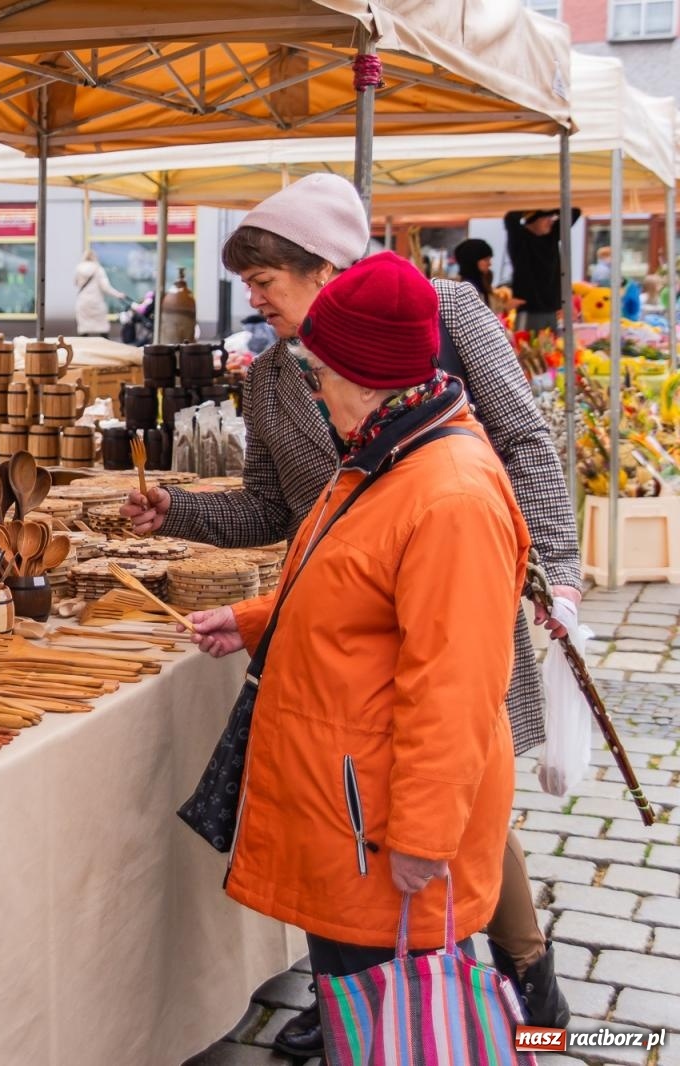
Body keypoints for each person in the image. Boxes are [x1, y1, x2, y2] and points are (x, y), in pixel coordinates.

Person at [123, 172, 576, 1053]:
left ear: (322, 268)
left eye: (266, 283)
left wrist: (553, 567)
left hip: (448, 605)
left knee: (457, 806)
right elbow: (279, 514)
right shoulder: (288, 384)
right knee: (390, 874)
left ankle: (522, 996)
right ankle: (371, 1009)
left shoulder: (437, 341)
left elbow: (523, 439)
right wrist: (186, 521)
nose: (254, 303)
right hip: (356, 631)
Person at [186, 252, 529, 1042]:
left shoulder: (448, 493)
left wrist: (421, 836)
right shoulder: (390, 451)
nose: (313, 390)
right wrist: (255, 620)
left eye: (320, 374)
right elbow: (356, 592)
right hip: (350, 803)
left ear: (369, 374)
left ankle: (526, 1018)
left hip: (378, 820)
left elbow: (456, 686)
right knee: (362, 1015)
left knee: (394, 1022)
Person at [504, 206, 580, 333]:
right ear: (532, 220)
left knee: (549, 351)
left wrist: (549, 211)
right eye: (546, 218)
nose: (551, 221)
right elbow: (511, 218)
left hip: (551, 311)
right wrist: (535, 208)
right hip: (530, 310)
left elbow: (574, 212)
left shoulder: (551, 237)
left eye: (552, 218)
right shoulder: (520, 238)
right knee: (525, 348)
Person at [73, 248, 124, 337]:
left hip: (82, 302)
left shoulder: (78, 268)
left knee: (84, 329)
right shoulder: (98, 269)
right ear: (94, 257)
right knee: (102, 328)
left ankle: (82, 349)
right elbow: (105, 287)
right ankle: (107, 348)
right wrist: (118, 294)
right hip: (96, 302)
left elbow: (75, 283)